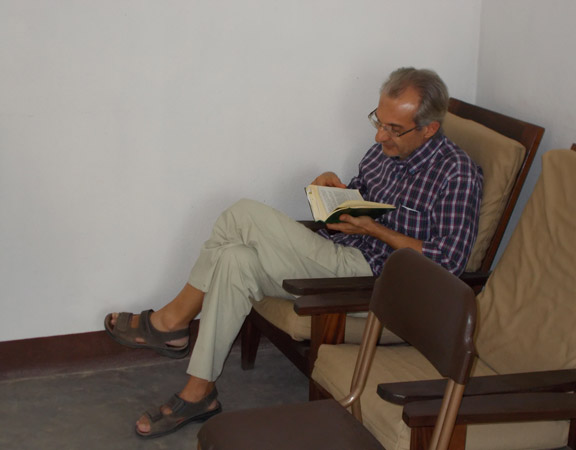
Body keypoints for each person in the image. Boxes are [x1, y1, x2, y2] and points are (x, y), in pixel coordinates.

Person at [104, 67, 483, 438]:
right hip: (339, 256)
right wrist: (332, 194)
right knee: (234, 259)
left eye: (394, 129)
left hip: (378, 282)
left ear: (429, 129)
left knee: (242, 213)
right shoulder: (382, 153)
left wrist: (373, 229)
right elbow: (356, 207)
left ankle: (172, 322)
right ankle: (198, 392)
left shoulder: (457, 173)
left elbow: (448, 261)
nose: (380, 135)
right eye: (378, 122)